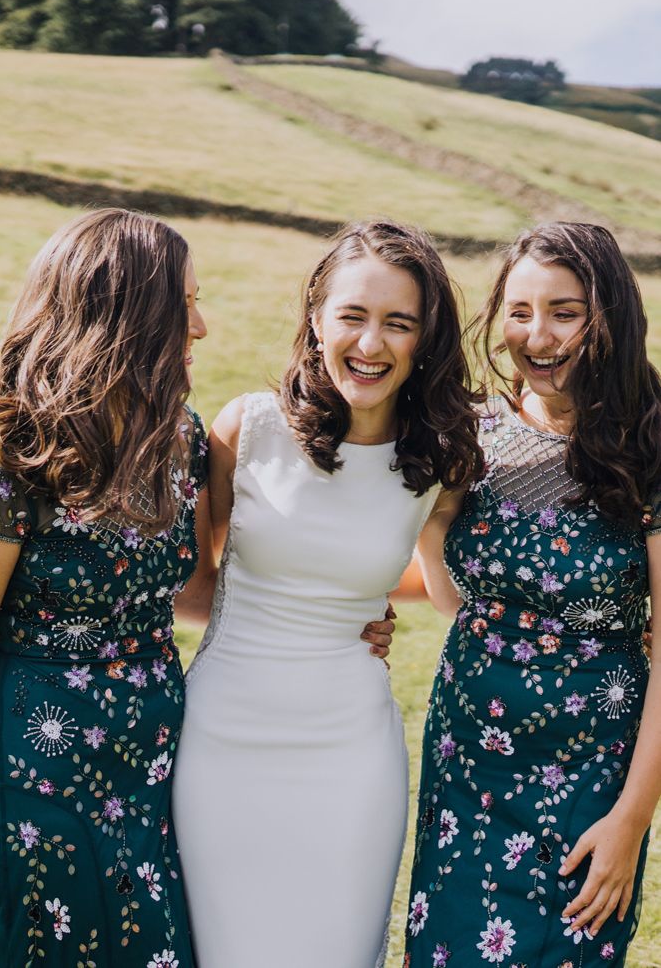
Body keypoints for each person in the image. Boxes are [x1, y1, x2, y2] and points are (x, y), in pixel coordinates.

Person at [172, 219, 484, 968]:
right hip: (223, 743)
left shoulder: (443, 460)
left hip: (351, 757)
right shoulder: (245, 428)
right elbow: (189, 587)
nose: (371, 343)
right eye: (352, 315)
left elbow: (446, 590)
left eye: (397, 323)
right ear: (317, 317)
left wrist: (364, 605)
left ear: (424, 339)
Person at [403, 222, 661, 967]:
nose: (537, 335)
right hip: (464, 766)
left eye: (565, 311)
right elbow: (462, 605)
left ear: (610, 314)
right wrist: (438, 518)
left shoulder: (651, 446)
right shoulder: (472, 432)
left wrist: (631, 821)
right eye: (519, 311)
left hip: (590, 778)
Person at [0, 208, 216, 967]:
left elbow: (194, 592)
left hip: (153, 756)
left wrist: (329, 619)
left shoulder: (180, 435)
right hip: (36, 754)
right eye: (185, 303)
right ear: (127, 313)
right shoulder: (16, 433)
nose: (204, 325)